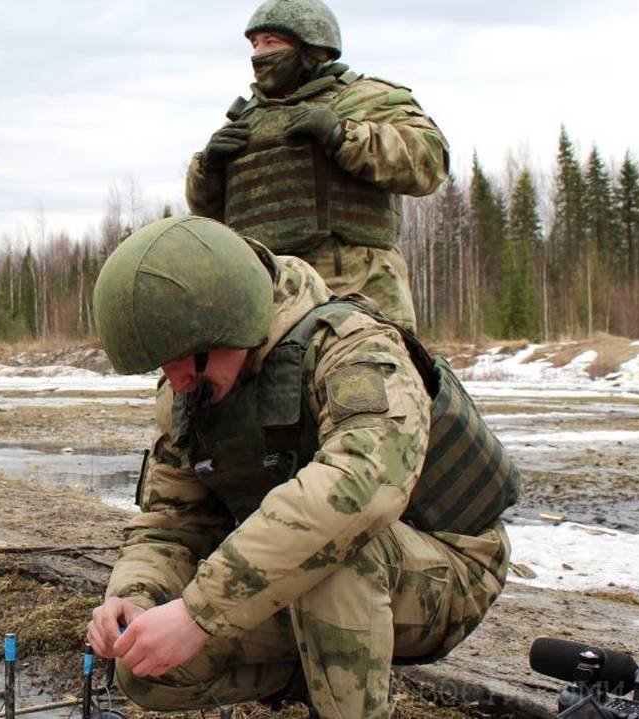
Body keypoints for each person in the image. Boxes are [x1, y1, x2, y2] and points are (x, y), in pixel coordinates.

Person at [87, 216, 518, 719]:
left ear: (228, 323)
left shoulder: (353, 347)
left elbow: (359, 490)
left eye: (182, 359)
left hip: (447, 571)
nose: (174, 379)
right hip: (311, 580)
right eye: (162, 365)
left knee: (333, 552)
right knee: (146, 666)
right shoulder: (189, 392)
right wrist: (135, 597)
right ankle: (321, 671)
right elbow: (170, 524)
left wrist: (199, 612)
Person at [185, 0, 449, 333]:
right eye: (254, 44)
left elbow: (431, 160)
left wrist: (342, 135)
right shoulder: (245, 121)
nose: (258, 54)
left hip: (358, 296)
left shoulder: (366, 98)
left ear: (310, 45)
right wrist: (208, 168)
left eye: (270, 42)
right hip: (266, 298)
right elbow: (210, 218)